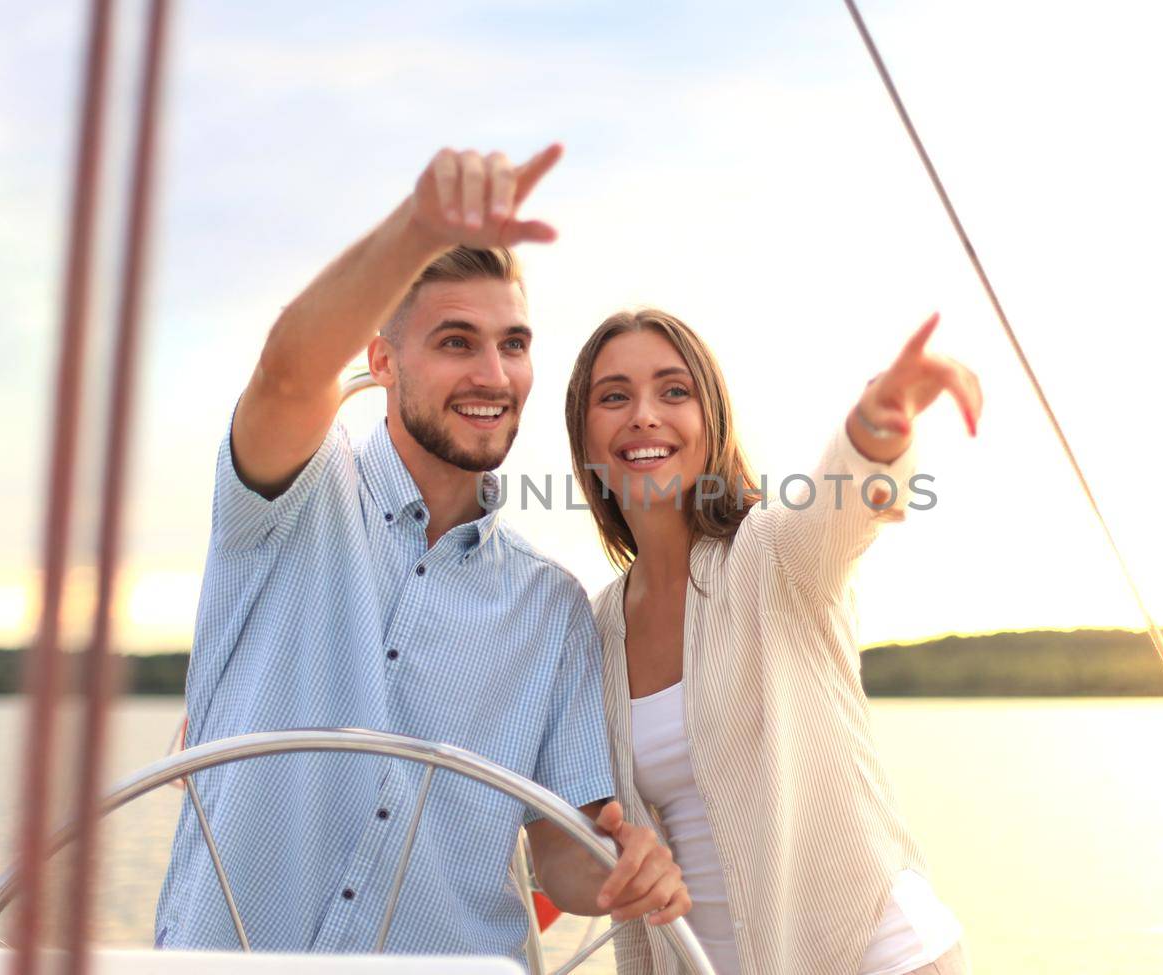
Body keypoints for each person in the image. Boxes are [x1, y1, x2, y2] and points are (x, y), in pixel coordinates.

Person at [155, 145, 688, 959]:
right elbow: (288, 373)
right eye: (455, 341)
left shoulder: (552, 606)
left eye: (513, 344)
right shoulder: (292, 495)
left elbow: (562, 858)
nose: (494, 373)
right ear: (381, 360)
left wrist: (625, 864)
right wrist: (417, 230)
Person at [564, 308, 981, 974]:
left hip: (875, 956)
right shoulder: (595, 627)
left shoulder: (772, 552)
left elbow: (839, 501)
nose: (644, 414)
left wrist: (880, 413)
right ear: (585, 438)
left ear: (713, 424)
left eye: (674, 391)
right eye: (614, 396)